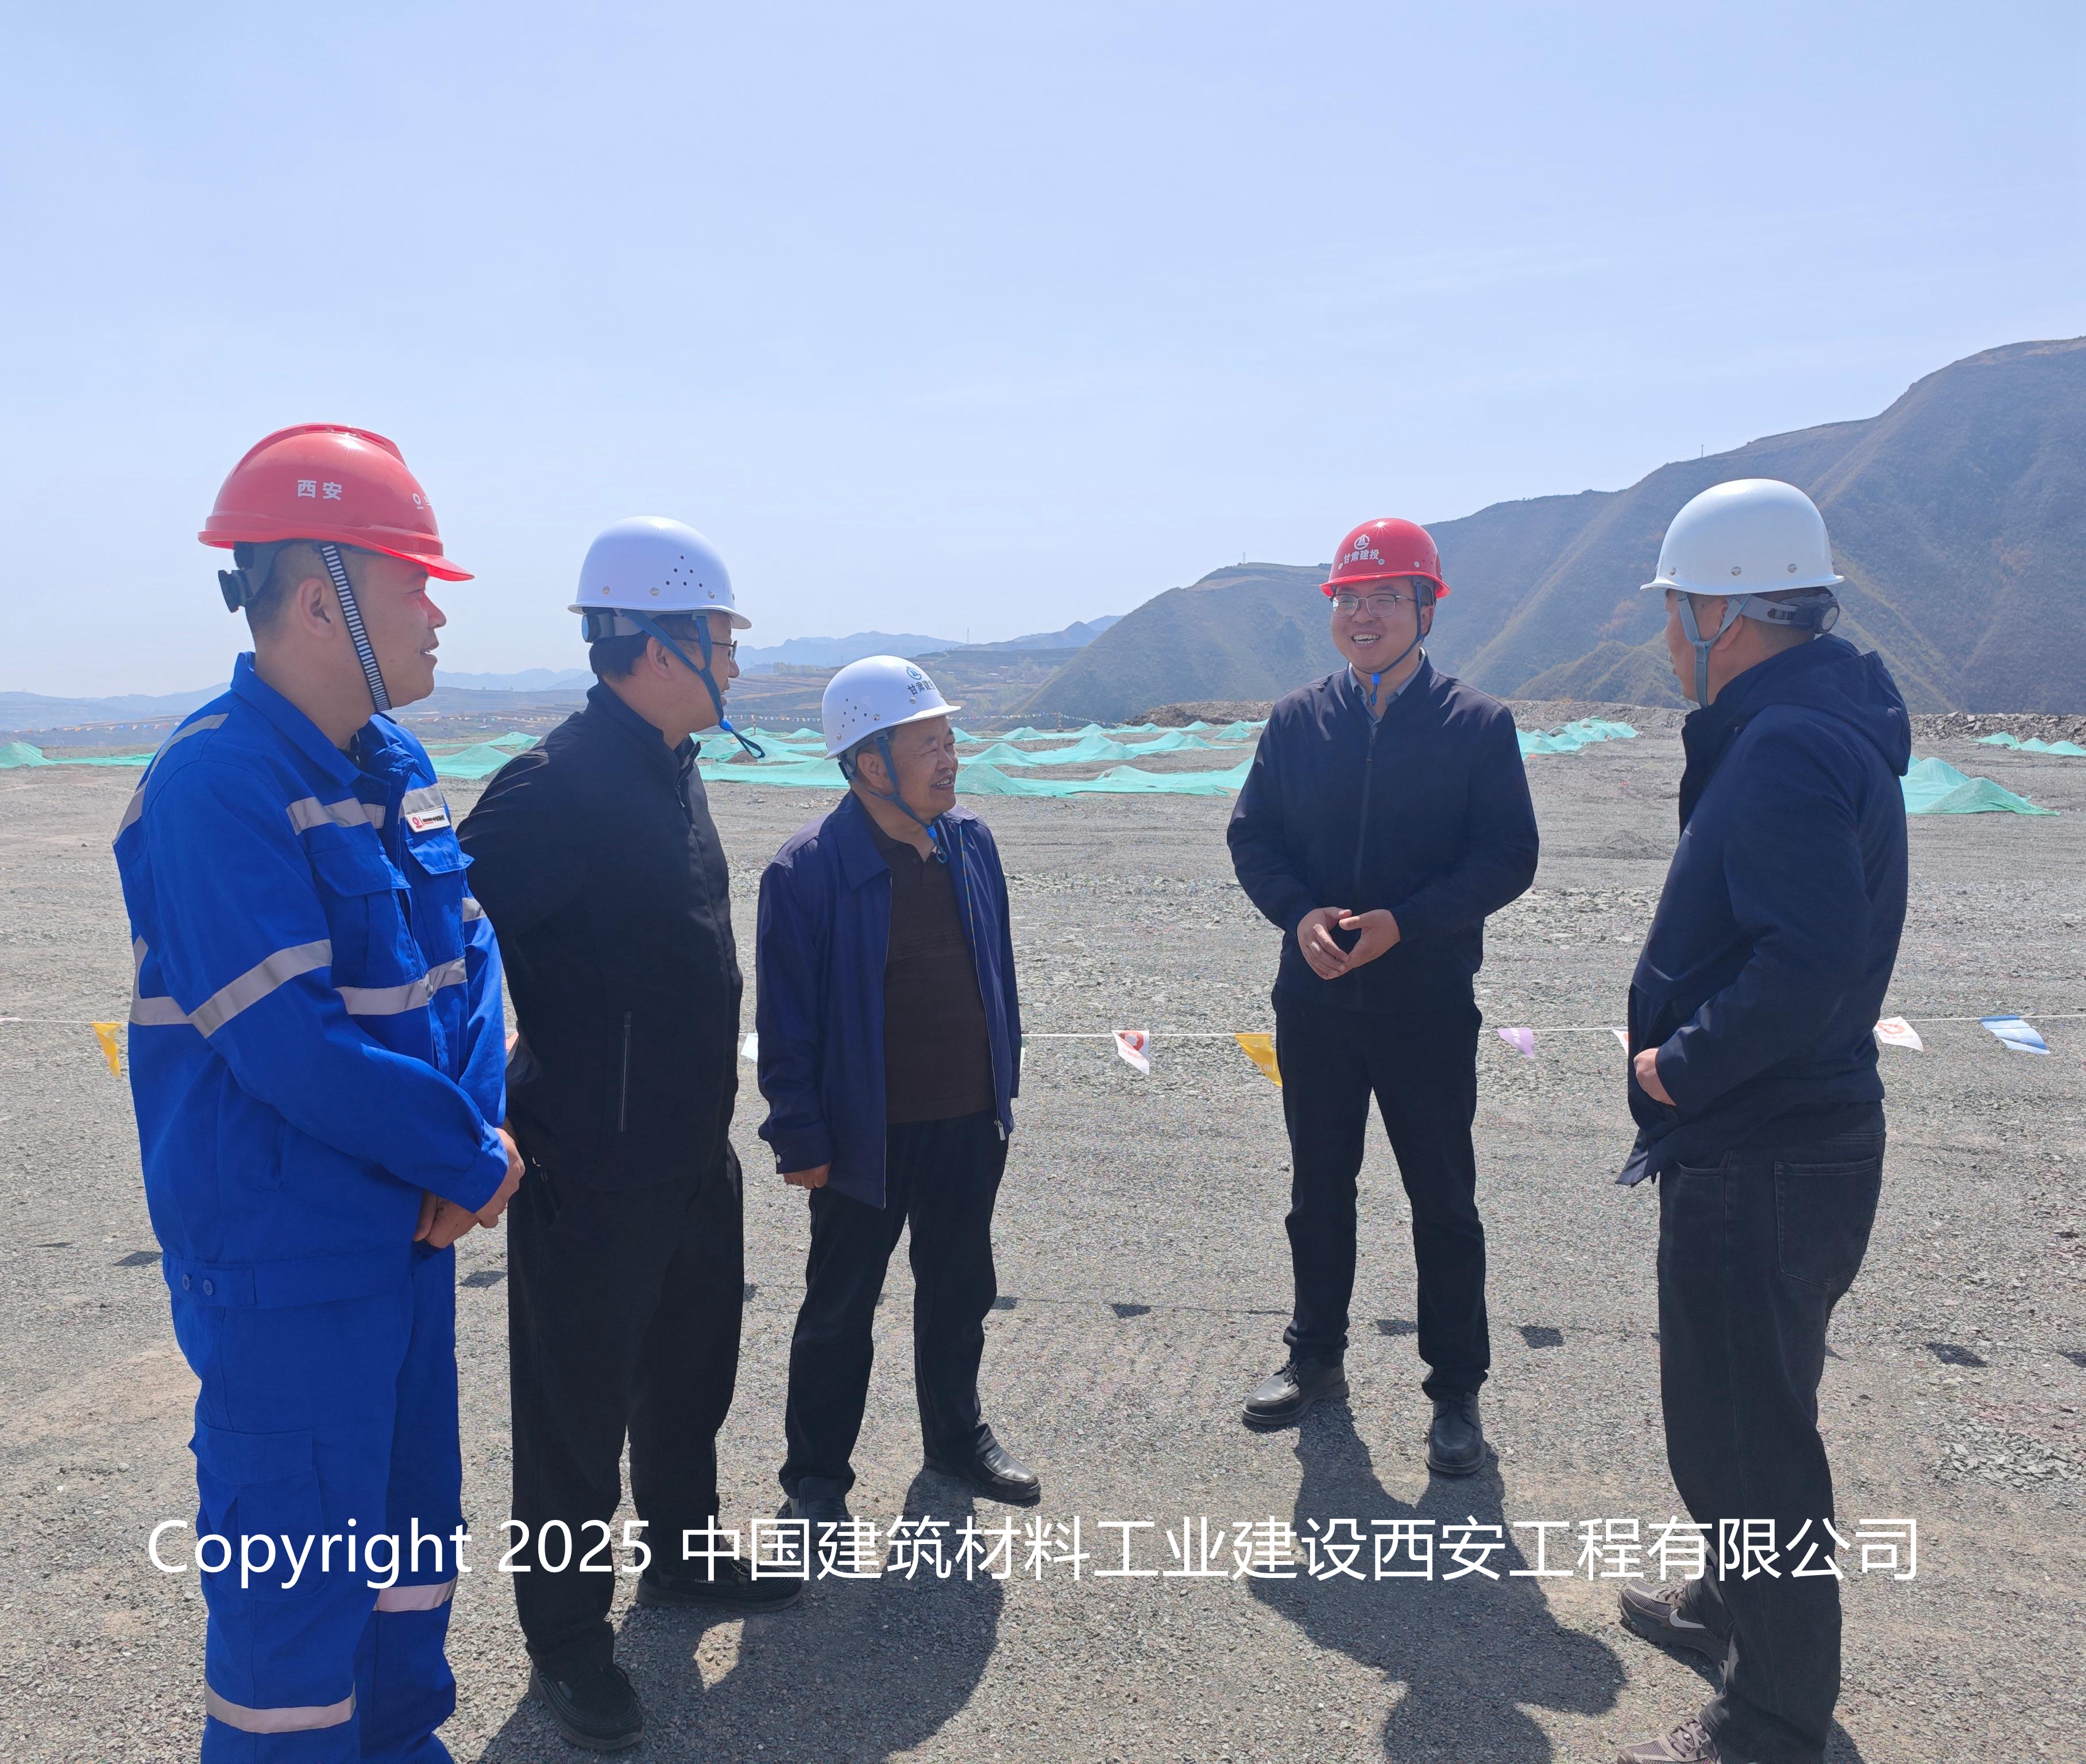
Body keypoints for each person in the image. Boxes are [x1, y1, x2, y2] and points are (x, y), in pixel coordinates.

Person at [115, 424, 522, 1761]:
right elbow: (285, 1045)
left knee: (409, 1565)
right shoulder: (215, 783)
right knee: (293, 1617)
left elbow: (470, 966)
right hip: (288, 1269)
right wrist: (463, 1163)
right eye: (414, 582)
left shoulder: (394, 767)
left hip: (404, 1245)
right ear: (316, 599)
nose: (437, 611)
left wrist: (471, 1144)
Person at [456, 517, 793, 1753]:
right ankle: (565, 1640)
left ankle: (683, 1556)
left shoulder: (670, 763)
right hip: (589, 1168)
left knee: (689, 1377)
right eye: (721, 640)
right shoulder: (554, 785)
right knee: (573, 1419)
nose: (736, 664)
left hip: (691, 1153)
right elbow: (448, 942)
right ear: (655, 646)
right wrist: (489, 1094)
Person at [1611, 480, 1909, 1764]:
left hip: (1762, 1140)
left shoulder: (1784, 744)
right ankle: (1733, 1609)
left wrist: (1682, 1066)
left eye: (1674, 610)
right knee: (1757, 1407)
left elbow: (1808, 960)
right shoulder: (1809, 722)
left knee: (1744, 1442)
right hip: (1792, 1137)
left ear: (1721, 615)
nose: (1666, 635)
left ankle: (1774, 1720)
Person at [1227, 517, 1538, 1474]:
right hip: (1315, 1004)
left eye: (1387, 598)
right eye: (1350, 600)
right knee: (1318, 1191)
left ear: (1425, 608)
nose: (1364, 616)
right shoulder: (1296, 721)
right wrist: (1298, 915)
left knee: (1442, 1199)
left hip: (1425, 1005)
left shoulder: (1476, 724)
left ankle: (1456, 1392)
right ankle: (1314, 1357)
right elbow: (1253, 837)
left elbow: (1508, 856)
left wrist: (1410, 922)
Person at [756, 656, 1035, 1525]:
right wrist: (800, 1135)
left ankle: (955, 1438)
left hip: (968, 1120)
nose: (951, 759)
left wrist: (1002, 1086)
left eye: (950, 740)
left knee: (959, 1291)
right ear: (871, 764)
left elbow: (999, 972)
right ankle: (816, 1481)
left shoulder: (971, 843)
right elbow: (787, 1021)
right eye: (930, 746)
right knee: (839, 1310)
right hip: (861, 1136)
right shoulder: (807, 870)